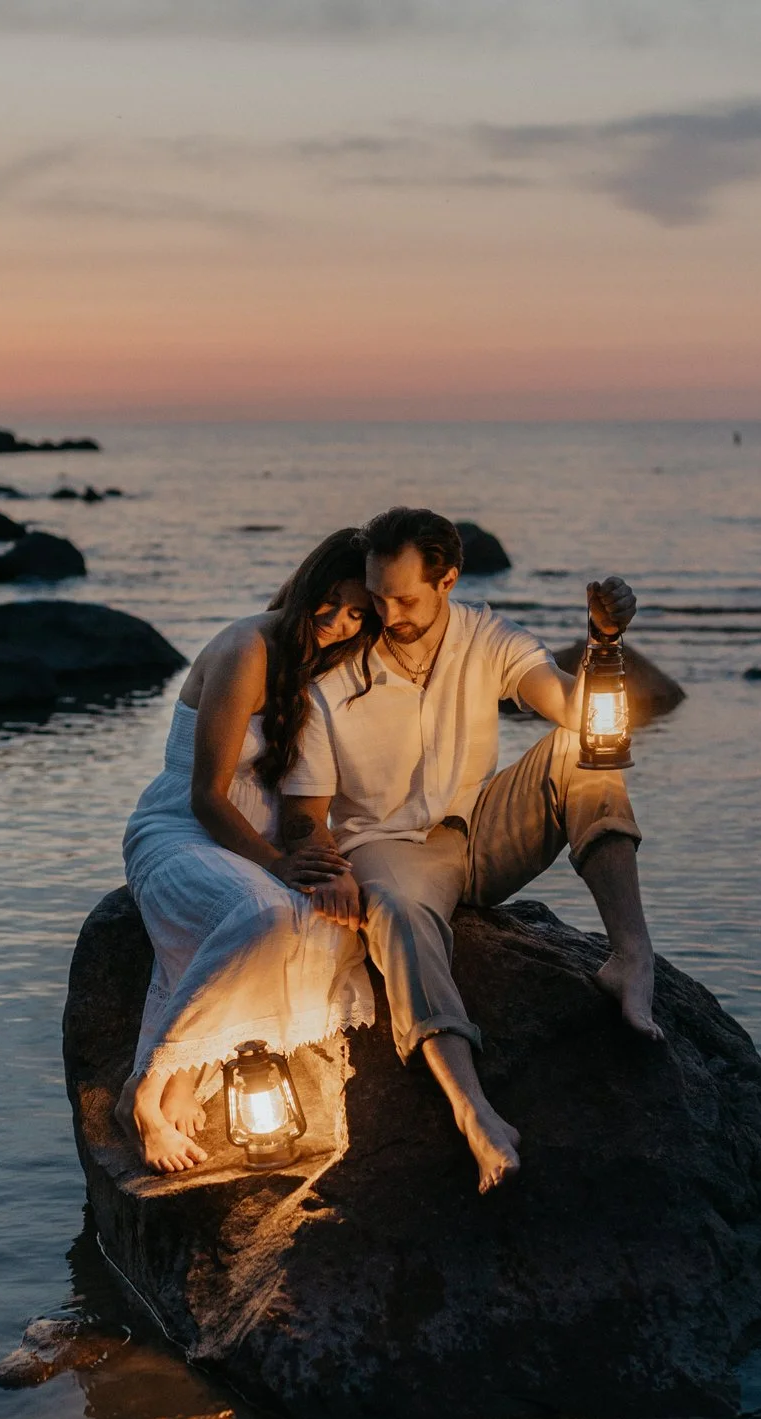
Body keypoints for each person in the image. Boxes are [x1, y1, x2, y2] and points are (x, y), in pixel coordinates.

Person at [277, 506, 660, 1194]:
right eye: (377, 594)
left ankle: (631, 956)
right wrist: (325, 865)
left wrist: (603, 643)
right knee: (393, 907)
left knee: (585, 751)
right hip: (389, 850)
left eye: (405, 596)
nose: (386, 612)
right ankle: (474, 1110)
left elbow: (570, 706)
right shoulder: (334, 673)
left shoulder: (484, 635)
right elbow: (305, 815)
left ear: (448, 578)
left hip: (481, 831)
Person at [120, 530, 379, 1174]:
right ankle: (147, 1095)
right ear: (308, 583)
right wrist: (278, 866)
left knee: (335, 919)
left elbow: (308, 799)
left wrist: (326, 864)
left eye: (357, 614)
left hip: (260, 845)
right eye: (331, 601)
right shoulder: (248, 648)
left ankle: (195, 1067)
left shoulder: (325, 662)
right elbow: (208, 795)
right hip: (182, 832)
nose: (337, 623)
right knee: (261, 915)